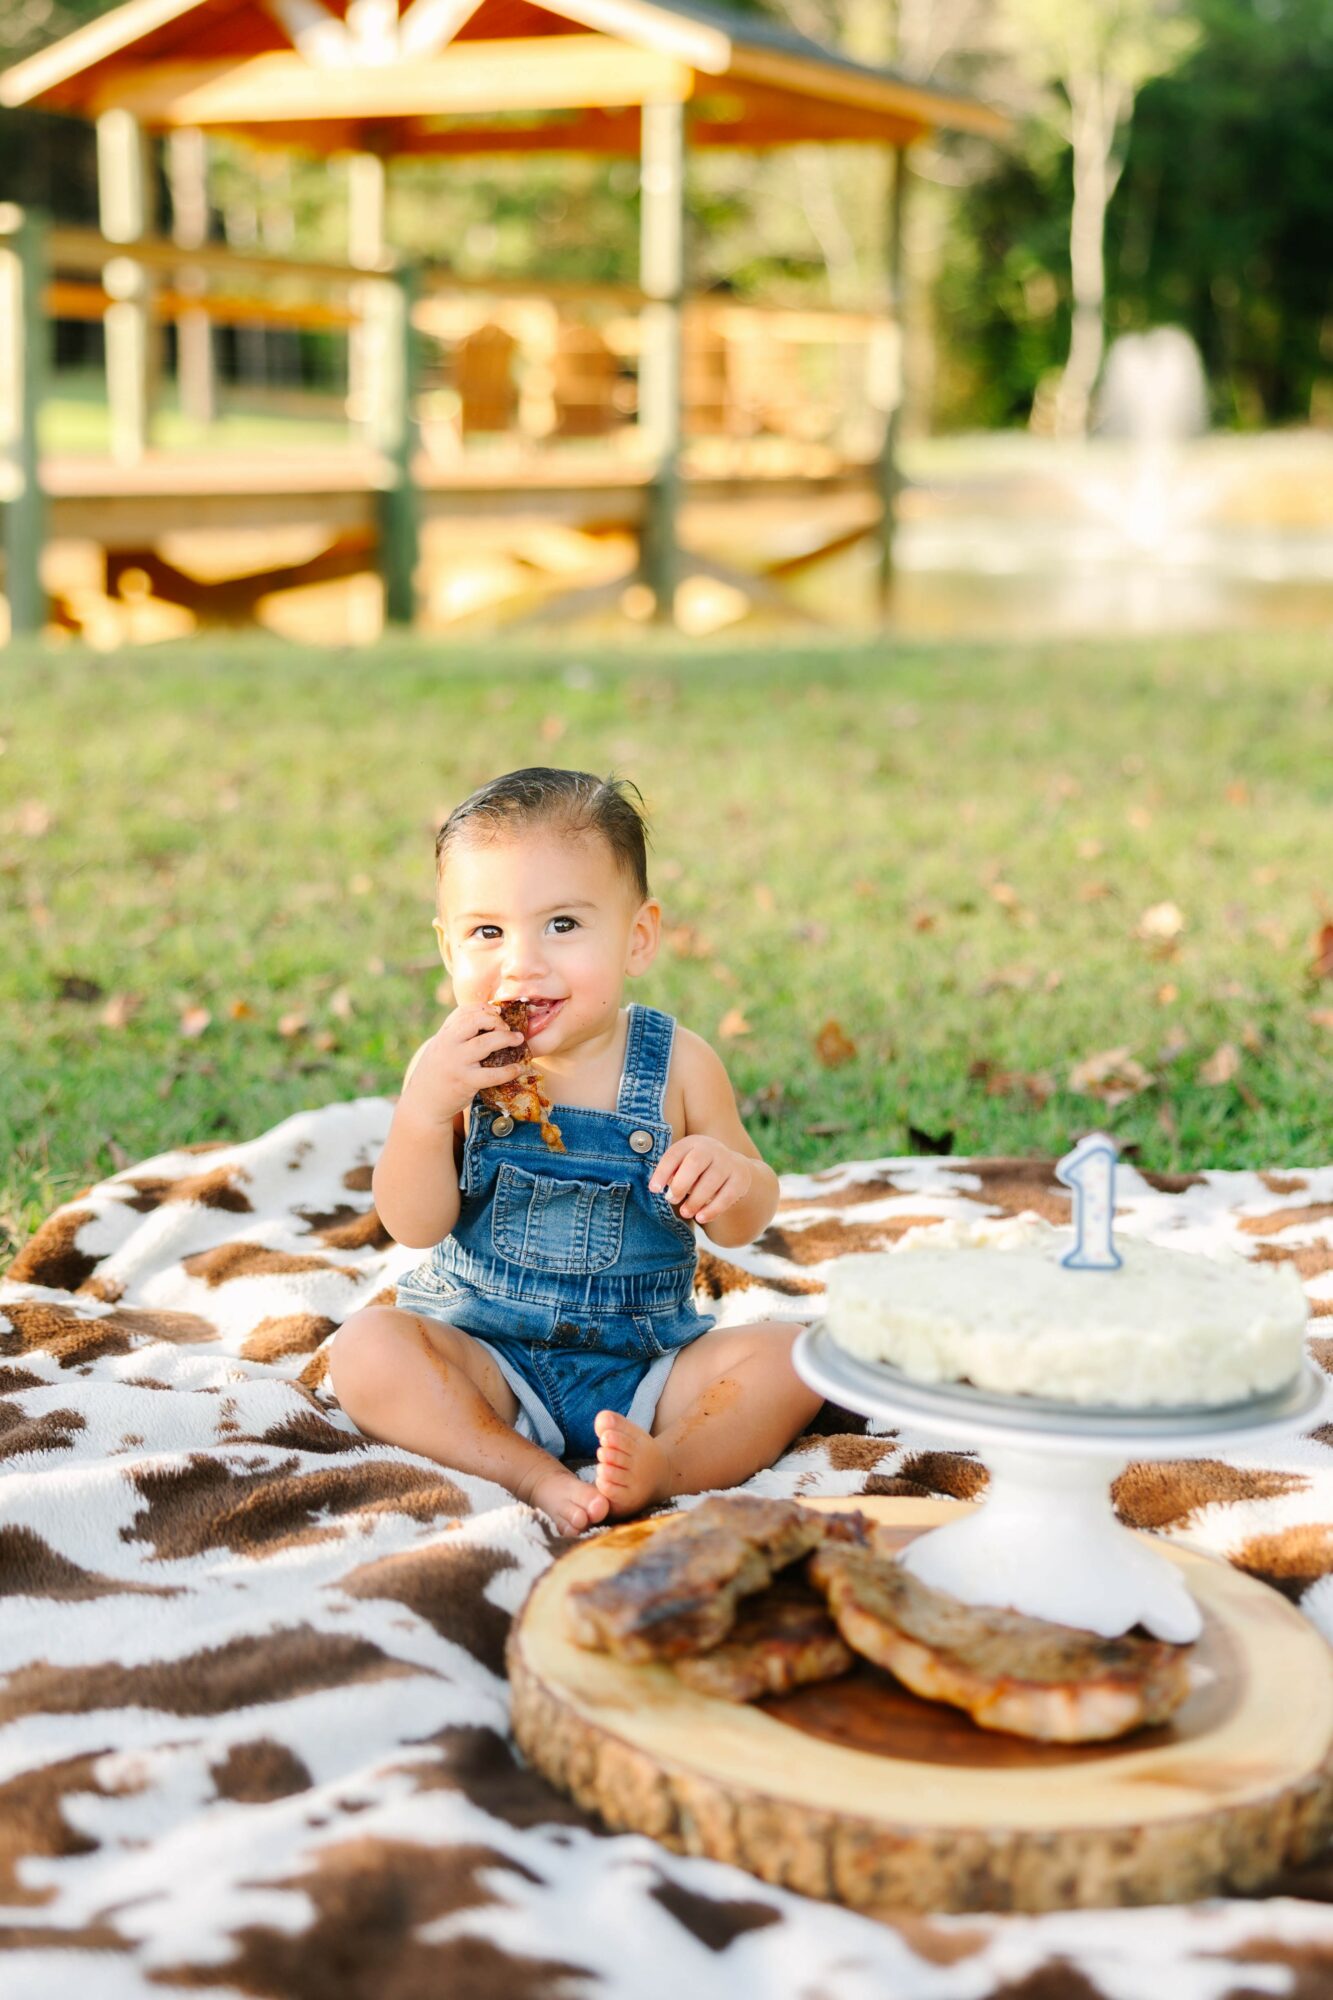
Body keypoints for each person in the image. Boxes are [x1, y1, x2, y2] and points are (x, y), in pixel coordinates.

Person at [329, 766, 823, 1535]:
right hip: (484, 1357)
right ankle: (523, 1469)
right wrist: (424, 1113)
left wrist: (731, 1177)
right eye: (487, 932)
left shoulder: (679, 1065)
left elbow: (742, 1222)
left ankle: (668, 1464)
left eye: (561, 924)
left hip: (646, 1368)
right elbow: (413, 1224)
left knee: (794, 1358)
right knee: (366, 1347)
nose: (522, 963)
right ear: (447, 949)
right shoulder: (452, 1068)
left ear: (637, 937)